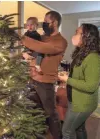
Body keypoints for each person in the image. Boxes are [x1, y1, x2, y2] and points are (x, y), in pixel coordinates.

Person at [22, 11, 67, 139]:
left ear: (55, 23)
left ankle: (57, 136)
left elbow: (42, 48)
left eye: (46, 22)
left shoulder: (61, 41)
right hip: (32, 79)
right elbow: (33, 51)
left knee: (50, 114)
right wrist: (25, 55)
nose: (44, 24)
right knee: (34, 110)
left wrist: (22, 38)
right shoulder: (42, 37)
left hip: (45, 83)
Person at [58, 23, 100, 139]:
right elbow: (80, 75)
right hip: (75, 100)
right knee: (79, 128)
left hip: (83, 104)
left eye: (77, 32)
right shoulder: (81, 53)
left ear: (87, 36)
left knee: (67, 131)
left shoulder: (94, 58)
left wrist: (68, 80)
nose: (74, 35)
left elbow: (91, 86)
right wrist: (69, 75)